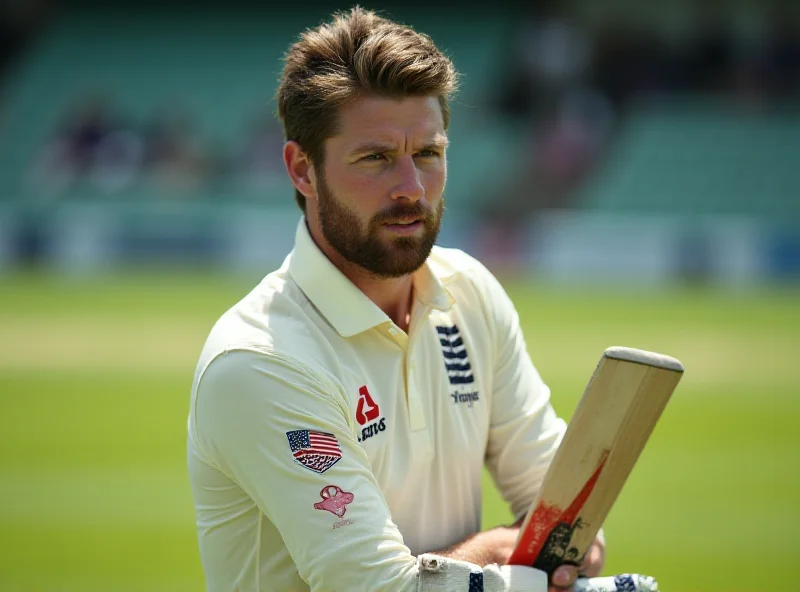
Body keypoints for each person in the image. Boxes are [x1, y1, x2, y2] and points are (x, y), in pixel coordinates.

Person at [187, 8, 607, 591]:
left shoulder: (471, 294)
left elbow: (566, 512)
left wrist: (564, 548)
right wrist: (501, 550)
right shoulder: (261, 361)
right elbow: (379, 588)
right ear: (303, 170)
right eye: (376, 158)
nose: (411, 188)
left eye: (428, 154)